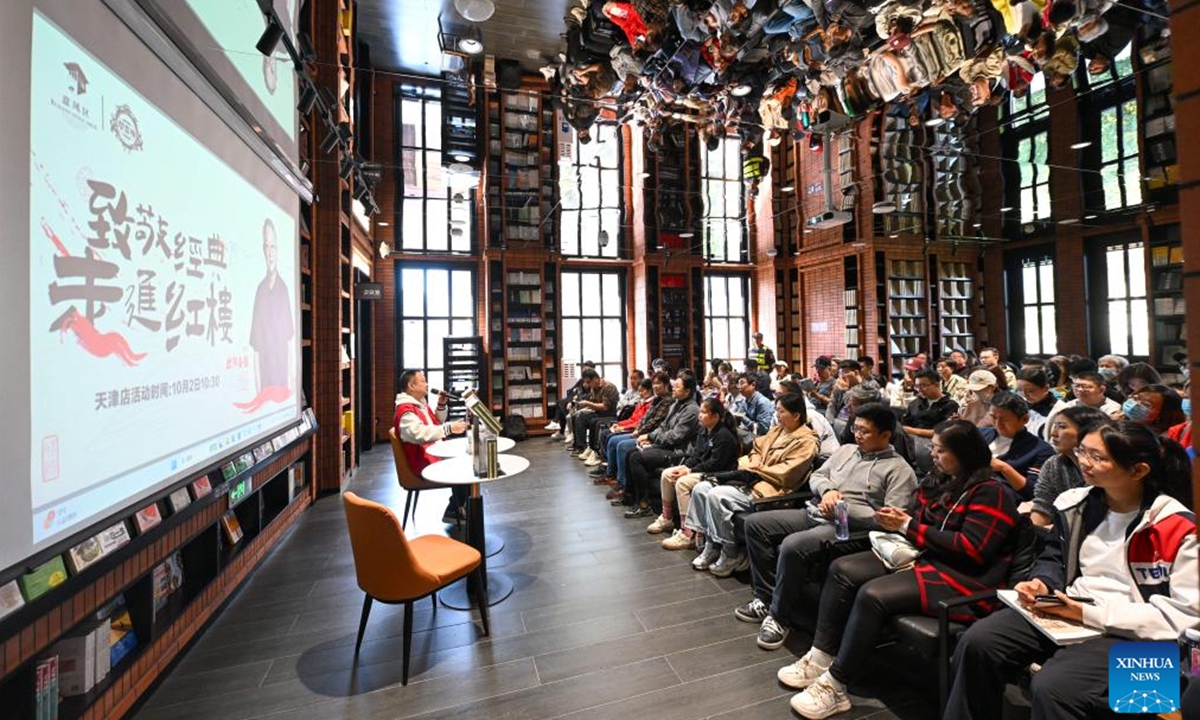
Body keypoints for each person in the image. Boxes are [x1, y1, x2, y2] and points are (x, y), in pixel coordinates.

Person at [945, 421, 1197, 720]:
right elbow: (1055, 557)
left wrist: (1083, 613)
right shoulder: (1076, 504)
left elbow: (1186, 615)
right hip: (1073, 610)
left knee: (1055, 686)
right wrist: (1042, 583)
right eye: (1083, 451)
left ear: (1138, 471)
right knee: (978, 642)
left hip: (1148, 638)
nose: (1084, 462)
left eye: (1098, 457)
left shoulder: (1178, 526)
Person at [782, 420, 1020, 719]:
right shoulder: (942, 479)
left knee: (873, 594)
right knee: (842, 569)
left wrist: (908, 525)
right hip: (926, 555)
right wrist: (902, 519)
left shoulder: (991, 492)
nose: (933, 455)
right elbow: (923, 523)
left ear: (966, 453)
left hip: (965, 578)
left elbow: (971, 550)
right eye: (932, 448)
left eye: (941, 450)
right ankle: (820, 657)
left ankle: (836, 684)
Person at [737, 403, 917, 650]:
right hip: (815, 511)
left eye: (865, 431)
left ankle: (780, 617)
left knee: (793, 546)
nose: (857, 435)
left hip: (848, 527)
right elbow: (817, 476)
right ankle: (765, 598)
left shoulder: (899, 470)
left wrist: (841, 508)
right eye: (856, 428)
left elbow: (889, 518)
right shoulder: (847, 451)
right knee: (755, 524)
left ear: (886, 435)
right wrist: (829, 491)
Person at [689, 393, 819, 577]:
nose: (777, 415)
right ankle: (712, 544)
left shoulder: (806, 440)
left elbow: (788, 472)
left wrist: (759, 469)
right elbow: (756, 450)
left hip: (772, 491)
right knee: (701, 488)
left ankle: (731, 552)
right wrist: (754, 465)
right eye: (776, 410)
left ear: (796, 415)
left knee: (717, 495)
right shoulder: (777, 430)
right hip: (752, 479)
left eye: (781, 411)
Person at [649, 397, 741, 545]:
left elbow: (715, 464)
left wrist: (690, 471)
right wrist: (685, 467)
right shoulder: (704, 430)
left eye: (704, 412)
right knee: (667, 474)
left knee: (682, 483)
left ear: (716, 416)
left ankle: (688, 533)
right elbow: (696, 454)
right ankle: (667, 518)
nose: (700, 415)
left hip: (718, 475)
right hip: (702, 470)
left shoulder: (724, 436)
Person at [393, 369, 469, 522]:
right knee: (466, 468)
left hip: (432, 452)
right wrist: (449, 429)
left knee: (466, 459)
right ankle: (454, 509)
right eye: (422, 381)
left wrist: (441, 405)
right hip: (423, 461)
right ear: (411, 386)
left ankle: (456, 507)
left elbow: (435, 423)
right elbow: (418, 434)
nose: (427, 384)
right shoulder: (406, 410)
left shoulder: (419, 404)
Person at [623, 375, 701, 516]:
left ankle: (644, 504)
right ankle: (630, 497)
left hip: (679, 451)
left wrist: (651, 437)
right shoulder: (675, 405)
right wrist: (649, 438)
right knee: (630, 452)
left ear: (688, 391)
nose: (673, 389)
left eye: (677, 387)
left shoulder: (692, 410)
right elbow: (663, 427)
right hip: (667, 446)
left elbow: (675, 436)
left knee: (636, 458)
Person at [1029, 405, 1111, 528]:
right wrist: (1036, 531)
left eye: (1062, 427)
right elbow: (1043, 505)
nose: (1053, 433)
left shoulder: (1107, 468)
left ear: (1088, 432)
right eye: (1054, 426)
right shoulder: (1054, 464)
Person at [978, 392, 1055, 501]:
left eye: (1004, 420)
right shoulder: (980, 434)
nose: (997, 424)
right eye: (993, 417)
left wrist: (1004, 468)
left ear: (1024, 419)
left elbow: (1033, 491)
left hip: (1001, 500)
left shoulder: (1041, 450)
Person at [249, 218, 294, 393]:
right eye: (266, 247)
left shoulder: (284, 290)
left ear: (278, 250)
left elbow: (290, 343)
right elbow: (255, 348)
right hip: (265, 389)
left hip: (283, 387)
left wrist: (291, 383)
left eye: (273, 247)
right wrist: (258, 391)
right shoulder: (259, 292)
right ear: (263, 250)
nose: (270, 253)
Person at [1045, 370, 1122, 430]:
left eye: (1086, 387)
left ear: (1102, 389)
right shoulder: (1067, 406)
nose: (1080, 389)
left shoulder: (1113, 409)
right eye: (1077, 386)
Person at [572, 369, 621, 457]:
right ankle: (580, 446)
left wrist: (588, 404)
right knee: (576, 416)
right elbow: (594, 402)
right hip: (599, 412)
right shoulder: (594, 388)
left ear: (595, 379)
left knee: (591, 421)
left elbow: (605, 407)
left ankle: (593, 449)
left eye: (588, 382)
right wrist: (583, 406)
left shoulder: (608, 387)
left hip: (609, 414)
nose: (587, 385)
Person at [901, 367, 958, 439]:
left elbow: (943, 432)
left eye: (923, 385)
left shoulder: (951, 405)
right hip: (912, 442)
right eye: (917, 386)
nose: (920, 390)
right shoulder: (914, 403)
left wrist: (912, 431)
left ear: (937, 384)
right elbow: (904, 425)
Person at [1015, 366, 1067, 440]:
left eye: (1030, 391)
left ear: (1046, 388)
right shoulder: (1020, 405)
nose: (1024, 395)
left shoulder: (1061, 411)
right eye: (1019, 390)